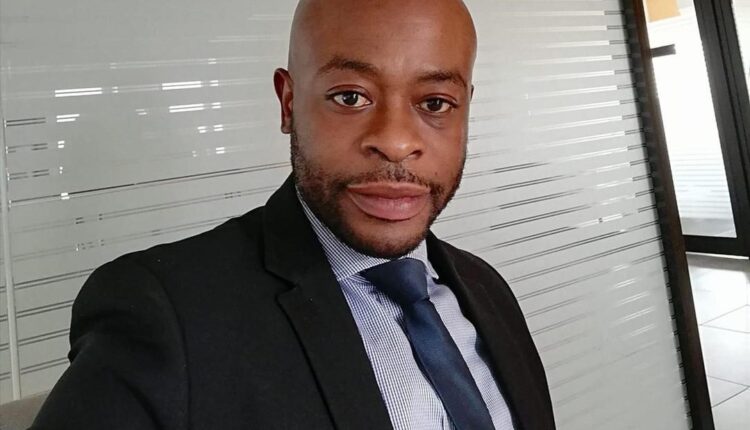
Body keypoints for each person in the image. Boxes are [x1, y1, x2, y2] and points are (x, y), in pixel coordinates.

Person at [31, 0, 555, 429]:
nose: (396, 142)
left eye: (436, 103)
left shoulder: (487, 290)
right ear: (288, 103)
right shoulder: (163, 316)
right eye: (350, 97)